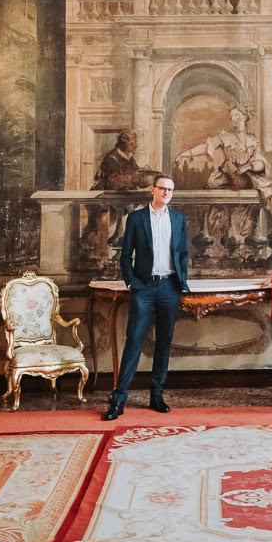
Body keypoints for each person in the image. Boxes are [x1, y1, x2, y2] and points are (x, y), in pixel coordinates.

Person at [105, 173, 190, 419]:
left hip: (169, 289)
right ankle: (119, 399)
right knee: (133, 342)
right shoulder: (136, 218)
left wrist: (180, 280)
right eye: (162, 188)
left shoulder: (178, 219)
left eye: (170, 190)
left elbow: (183, 252)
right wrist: (132, 283)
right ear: (153, 190)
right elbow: (125, 255)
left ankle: (156, 395)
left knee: (164, 343)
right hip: (143, 288)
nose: (166, 193)